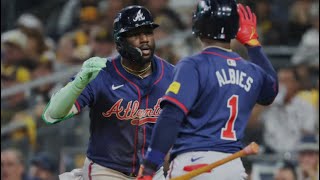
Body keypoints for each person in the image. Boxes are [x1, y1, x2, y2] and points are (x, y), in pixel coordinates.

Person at [137, 1, 278, 180]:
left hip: (195, 164)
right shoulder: (252, 70)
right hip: (232, 166)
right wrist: (253, 44)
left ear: (199, 23)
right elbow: (271, 91)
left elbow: (171, 116)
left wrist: (150, 165)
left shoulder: (193, 65)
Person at [42, 5, 174, 180]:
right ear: (120, 42)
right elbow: (53, 114)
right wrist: (79, 83)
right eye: (136, 34)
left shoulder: (172, 74)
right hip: (106, 170)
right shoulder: (101, 73)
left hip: (151, 171)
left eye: (148, 32)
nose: (144, 40)